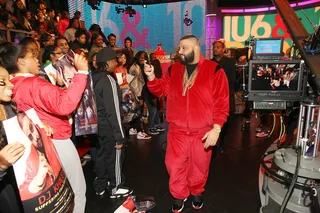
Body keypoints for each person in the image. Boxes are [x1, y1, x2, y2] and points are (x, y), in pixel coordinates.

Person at [0, 41, 88, 213]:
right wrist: (82, 72)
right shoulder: (34, 83)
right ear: (21, 61)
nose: (37, 59)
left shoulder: (14, 86)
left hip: (36, 145)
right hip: (57, 141)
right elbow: (64, 105)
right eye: (32, 56)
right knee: (75, 191)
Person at [144, 35, 229, 212]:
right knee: (174, 165)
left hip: (203, 131)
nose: (179, 51)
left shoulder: (215, 70)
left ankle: (197, 191)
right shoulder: (174, 69)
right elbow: (160, 90)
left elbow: (222, 102)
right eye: (180, 47)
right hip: (177, 130)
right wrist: (151, 77)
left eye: (184, 48)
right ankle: (178, 194)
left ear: (196, 48)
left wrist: (217, 128)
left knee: (199, 166)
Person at [92, 47, 133, 198]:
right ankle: (116, 187)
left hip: (97, 126)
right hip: (109, 126)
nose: (117, 62)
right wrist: (119, 136)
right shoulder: (108, 79)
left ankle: (100, 185)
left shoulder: (93, 77)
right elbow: (114, 110)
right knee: (115, 156)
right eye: (115, 60)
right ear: (108, 62)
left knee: (102, 155)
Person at [0, 65, 25, 213]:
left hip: (20, 180)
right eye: (2, 82)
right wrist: (1, 165)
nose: (11, 84)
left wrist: (39, 129)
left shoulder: (10, 107)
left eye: (9, 79)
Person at [211, 40, 236, 153]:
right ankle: (214, 142)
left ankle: (223, 143)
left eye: (217, 47)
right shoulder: (209, 63)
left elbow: (233, 80)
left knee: (225, 122)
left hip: (226, 96)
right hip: (212, 98)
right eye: (214, 47)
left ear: (223, 49)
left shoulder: (230, 62)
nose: (215, 49)